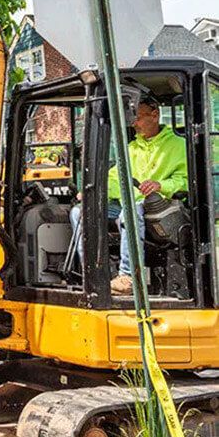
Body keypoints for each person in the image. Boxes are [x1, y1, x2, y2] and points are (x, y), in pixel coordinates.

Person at [69, 95, 187, 295]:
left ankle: (128, 276)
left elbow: (186, 181)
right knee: (79, 212)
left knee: (130, 212)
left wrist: (161, 185)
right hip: (128, 205)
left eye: (138, 117)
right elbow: (115, 179)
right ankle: (94, 273)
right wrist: (94, 190)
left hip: (161, 208)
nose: (134, 123)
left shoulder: (178, 146)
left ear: (155, 114)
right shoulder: (131, 149)